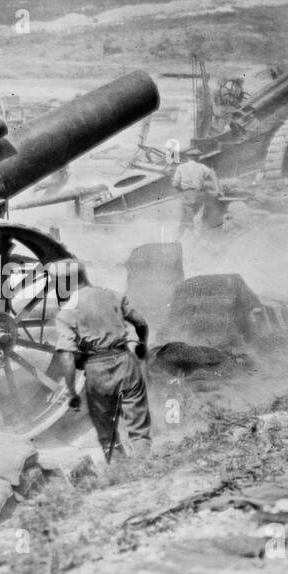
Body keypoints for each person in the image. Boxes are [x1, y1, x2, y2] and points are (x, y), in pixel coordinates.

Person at [52, 260, 151, 461]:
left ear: (65, 283)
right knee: (139, 429)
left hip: (96, 371)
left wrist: (71, 392)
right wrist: (142, 345)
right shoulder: (112, 295)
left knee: (108, 435)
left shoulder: (66, 312)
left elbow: (67, 356)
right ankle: (146, 469)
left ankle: (120, 478)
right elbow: (141, 323)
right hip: (125, 362)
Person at [170, 155, 224, 234]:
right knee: (199, 216)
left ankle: (184, 235)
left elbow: (175, 184)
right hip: (199, 194)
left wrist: (180, 191)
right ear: (198, 158)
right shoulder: (202, 166)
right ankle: (202, 233)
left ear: (187, 158)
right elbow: (213, 174)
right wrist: (218, 189)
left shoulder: (180, 167)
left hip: (187, 195)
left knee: (186, 217)